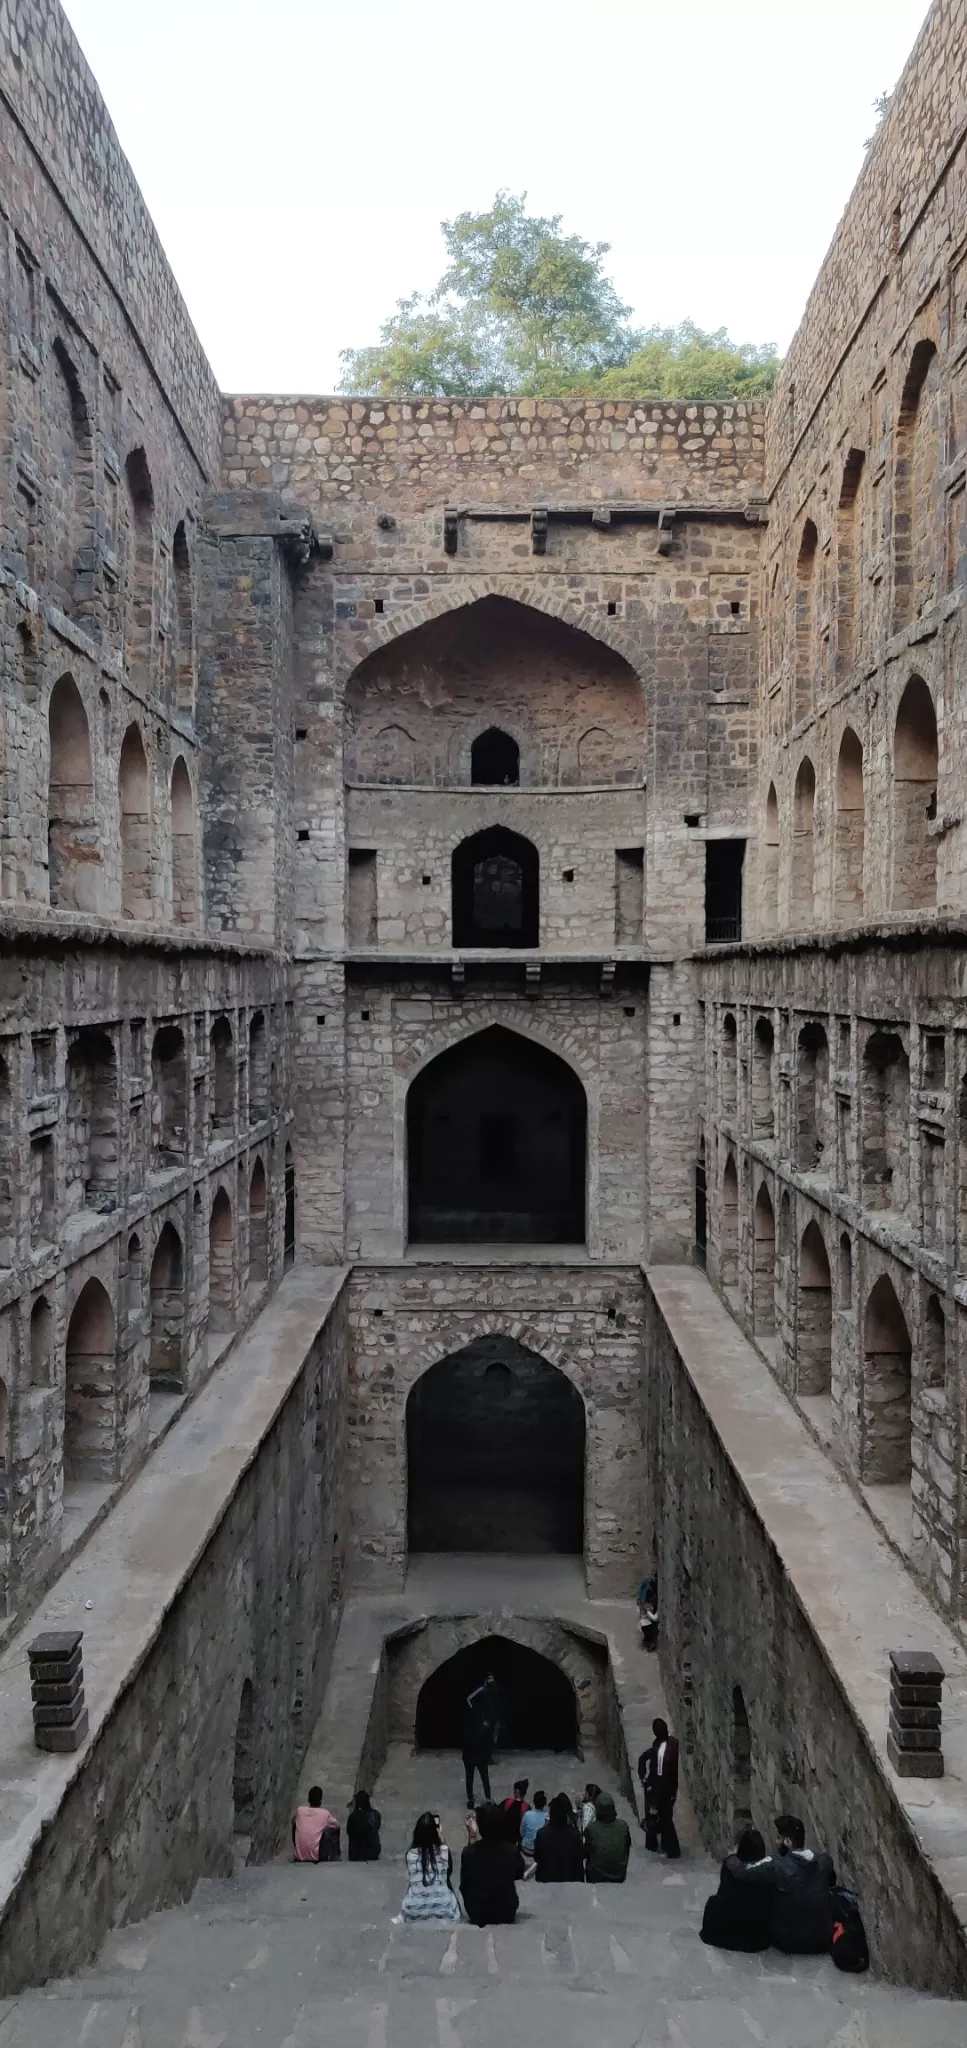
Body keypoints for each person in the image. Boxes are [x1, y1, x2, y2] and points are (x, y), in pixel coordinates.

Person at [700, 1828, 778, 1952]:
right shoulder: (767, 1871)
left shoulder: (730, 1867)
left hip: (728, 1932)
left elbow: (724, 1892)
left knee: (713, 1902)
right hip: (756, 1940)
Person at [771, 1814, 836, 1954]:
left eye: (779, 1838)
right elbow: (831, 1884)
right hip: (823, 1940)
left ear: (787, 1842)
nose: (776, 1842)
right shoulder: (825, 1861)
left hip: (787, 1941)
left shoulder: (778, 1866)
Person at [459, 1802, 524, 1926]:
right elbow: (519, 1873)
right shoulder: (511, 1851)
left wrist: (471, 1836)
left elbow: (464, 1884)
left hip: (477, 1912)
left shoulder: (468, 1853)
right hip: (506, 1911)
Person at [399, 1811, 460, 1922]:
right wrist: (442, 1841)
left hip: (413, 1912)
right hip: (444, 1911)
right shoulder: (443, 1851)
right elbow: (448, 1873)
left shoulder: (410, 1854)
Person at [638, 1718, 681, 1859]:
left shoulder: (661, 1751)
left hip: (661, 1790)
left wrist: (649, 1787)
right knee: (665, 1818)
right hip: (669, 1789)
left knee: (661, 1818)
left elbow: (660, 1775)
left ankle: (670, 1850)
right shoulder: (673, 1743)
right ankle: (662, 1846)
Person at [462, 1673, 500, 1808]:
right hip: (478, 1757)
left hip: (471, 1756)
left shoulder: (493, 1692)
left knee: (472, 1777)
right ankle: (486, 1798)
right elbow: (469, 1699)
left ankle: (473, 1798)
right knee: (481, 1777)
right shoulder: (482, 1691)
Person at [533, 1793, 585, 1882]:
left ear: (551, 1814)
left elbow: (537, 1857)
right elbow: (580, 1857)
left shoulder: (542, 1834)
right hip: (570, 1880)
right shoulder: (574, 1834)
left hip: (546, 1880)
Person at [583, 1791, 632, 1885]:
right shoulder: (623, 1826)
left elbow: (585, 1853)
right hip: (619, 1875)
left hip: (596, 1876)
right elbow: (627, 1847)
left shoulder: (591, 1829)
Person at [291, 1784, 339, 1862]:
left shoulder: (300, 1810)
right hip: (317, 1857)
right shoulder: (324, 1813)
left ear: (308, 1799)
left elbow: (293, 1822)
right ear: (320, 1800)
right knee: (330, 1830)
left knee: (295, 1823)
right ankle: (335, 1855)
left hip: (299, 1858)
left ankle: (299, 1850)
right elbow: (337, 1825)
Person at [346, 1789, 382, 1862]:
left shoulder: (353, 1816)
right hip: (373, 1853)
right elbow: (376, 1828)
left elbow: (349, 1832)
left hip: (355, 1854)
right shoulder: (376, 1814)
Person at [520, 1790, 548, 1856]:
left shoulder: (527, 1814)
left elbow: (522, 1832)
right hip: (541, 1851)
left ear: (533, 1802)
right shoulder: (548, 1816)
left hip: (526, 1849)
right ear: (545, 1803)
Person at [637, 1572, 658, 1650]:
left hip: (648, 1604)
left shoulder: (654, 1585)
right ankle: (647, 1639)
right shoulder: (647, 1581)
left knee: (647, 1623)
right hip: (645, 1603)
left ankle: (649, 1641)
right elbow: (641, 1590)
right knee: (643, 1620)